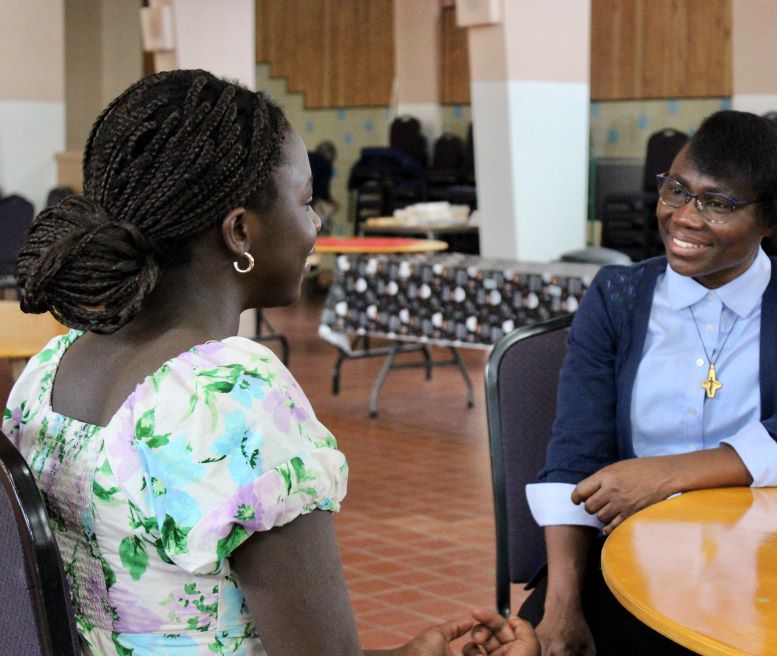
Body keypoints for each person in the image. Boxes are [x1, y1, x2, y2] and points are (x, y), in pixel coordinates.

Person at [3, 69, 537, 656]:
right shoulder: (229, 397)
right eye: (306, 202)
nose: (315, 227)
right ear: (239, 232)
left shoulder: (50, 368)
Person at [520, 110, 777, 655]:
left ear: (771, 218)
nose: (684, 218)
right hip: (626, 559)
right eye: (677, 190)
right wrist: (563, 604)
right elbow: (574, 454)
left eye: (718, 204)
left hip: (764, 564)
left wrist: (663, 476)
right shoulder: (618, 297)